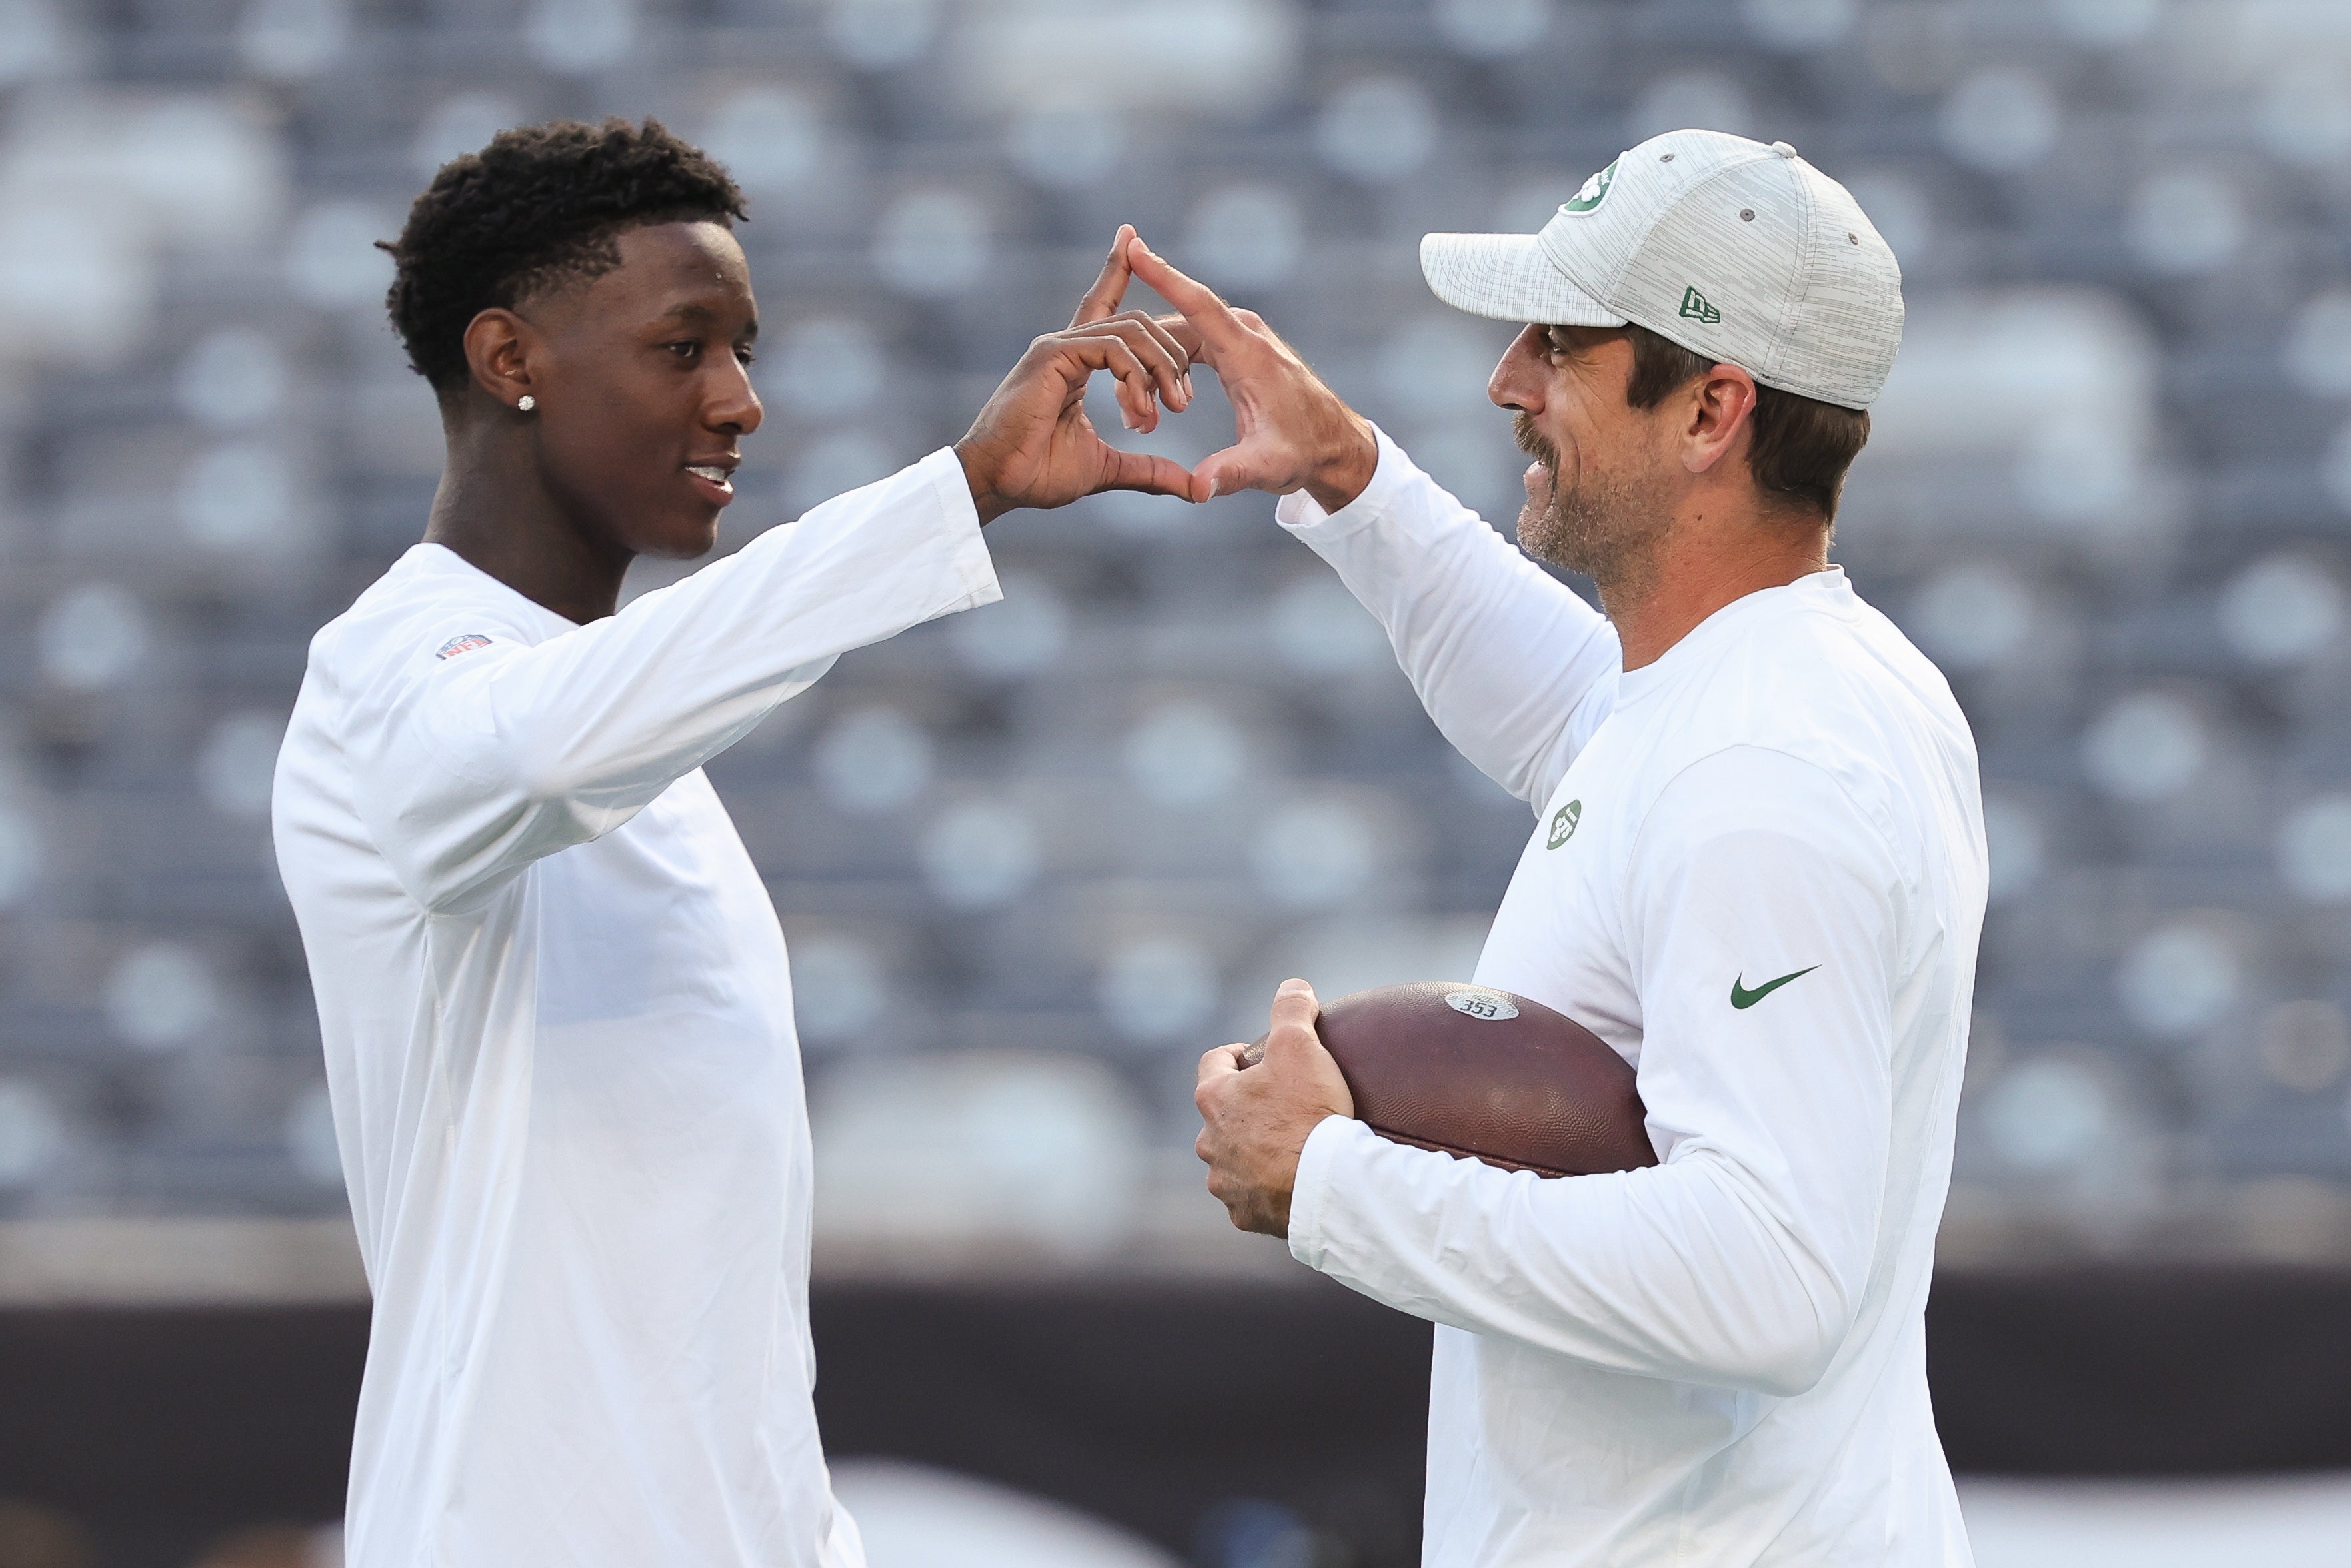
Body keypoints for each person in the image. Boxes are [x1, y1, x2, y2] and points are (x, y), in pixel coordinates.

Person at [270, 118, 1195, 1568]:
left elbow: (704, 1311)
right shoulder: (387, 678)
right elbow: (534, 746)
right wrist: (954, 494)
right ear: (511, 361)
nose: (743, 400)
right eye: (683, 345)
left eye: (743, 348)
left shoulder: (636, 730)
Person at [1169, 129, 1986, 1565]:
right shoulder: (1765, 687)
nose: (1507, 381)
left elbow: (1769, 1279)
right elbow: (1582, 710)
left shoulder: (1765, 763)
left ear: (1711, 409)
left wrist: (1337, 1180)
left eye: (1559, 345)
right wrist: (1350, 477)